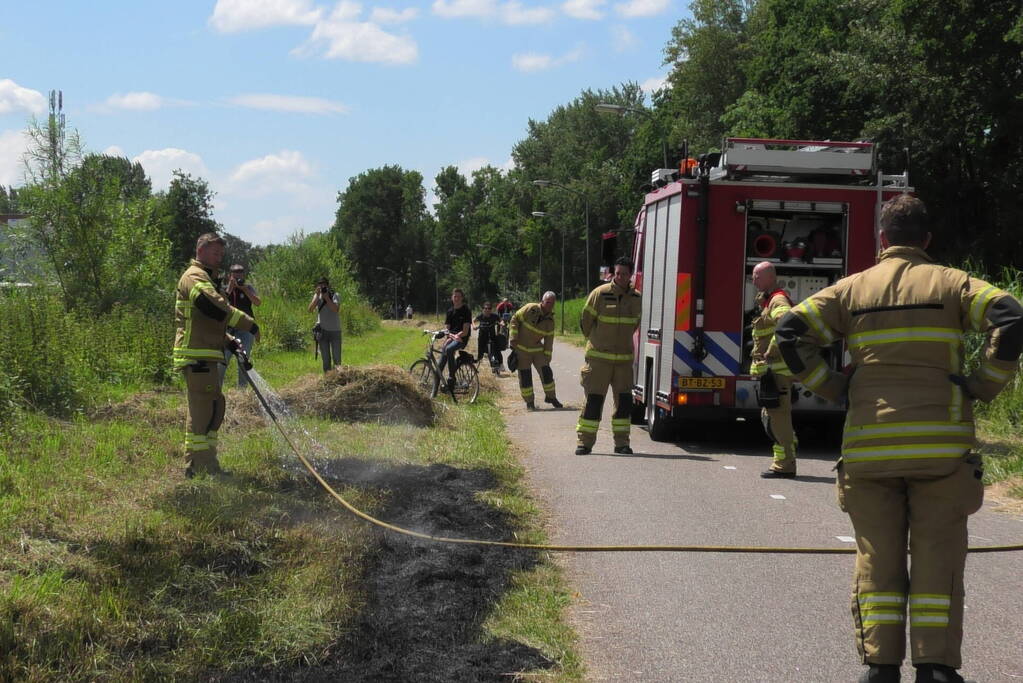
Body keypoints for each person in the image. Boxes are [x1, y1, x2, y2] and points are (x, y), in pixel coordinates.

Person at [775, 195, 1022, 683]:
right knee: (938, 558)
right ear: (927, 239)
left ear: (882, 239)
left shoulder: (851, 290)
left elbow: (789, 330)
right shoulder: (953, 285)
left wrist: (833, 385)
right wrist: (984, 384)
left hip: (870, 450)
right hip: (942, 451)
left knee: (877, 559)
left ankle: (880, 668)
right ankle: (935, 667)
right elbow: (1011, 317)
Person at [174, 233, 257, 477]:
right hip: (197, 357)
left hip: (207, 354)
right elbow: (212, 307)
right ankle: (200, 467)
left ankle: (203, 464)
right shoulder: (194, 276)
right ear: (200, 251)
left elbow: (207, 320)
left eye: (221, 254)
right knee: (203, 412)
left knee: (213, 408)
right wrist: (247, 323)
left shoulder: (206, 277)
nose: (219, 258)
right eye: (215, 253)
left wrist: (228, 340)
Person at [576, 257, 641, 455]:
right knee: (594, 402)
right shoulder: (600, 294)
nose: (620, 277)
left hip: (622, 362)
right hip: (598, 360)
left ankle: (622, 444)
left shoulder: (637, 298)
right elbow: (585, 322)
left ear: (631, 275)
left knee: (624, 404)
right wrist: (597, 342)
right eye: (617, 273)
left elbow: (635, 324)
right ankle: (584, 443)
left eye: (624, 273)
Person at [749, 261, 798, 478]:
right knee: (772, 418)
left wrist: (772, 351)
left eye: (757, 276)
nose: (754, 280)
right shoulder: (767, 301)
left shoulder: (777, 300)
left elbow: (787, 323)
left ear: (770, 277)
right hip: (772, 373)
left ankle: (785, 465)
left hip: (777, 371)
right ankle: (783, 460)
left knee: (778, 419)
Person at [509, 291, 562, 410]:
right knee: (525, 377)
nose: (550, 305)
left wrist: (547, 358)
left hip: (537, 350)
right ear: (542, 301)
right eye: (548, 302)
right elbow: (515, 319)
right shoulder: (530, 308)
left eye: (552, 303)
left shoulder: (550, 321)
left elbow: (549, 341)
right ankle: (530, 402)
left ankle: (551, 397)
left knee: (547, 373)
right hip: (522, 349)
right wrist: (513, 337)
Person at [222, 263, 262, 388]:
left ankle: (242, 391)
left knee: (243, 359)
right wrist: (230, 288)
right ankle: (217, 391)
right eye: (235, 273)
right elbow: (221, 303)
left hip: (246, 329)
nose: (238, 275)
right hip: (228, 330)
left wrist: (244, 290)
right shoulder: (224, 288)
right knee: (223, 359)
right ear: (230, 275)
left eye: (240, 273)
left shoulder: (248, 287)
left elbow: (257, 302)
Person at [437, 288, 472, 393]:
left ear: (462, 298)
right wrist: (449, 336)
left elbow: (465, 331)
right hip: (452, 338)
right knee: (440, 365)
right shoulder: (449, 311)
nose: (456, 298)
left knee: (449, 350)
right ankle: (435, 391)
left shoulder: (466, 310)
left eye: (458, 296)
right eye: (454, 296)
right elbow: (447, 329)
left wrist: (454, 336)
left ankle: (452, 378)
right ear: (452, 298)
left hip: (461, 339)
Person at [308, 277, 341, 372]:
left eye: (324, 285)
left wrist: (326, 298)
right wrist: (317, 296)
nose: (322, 287)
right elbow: (310, 309)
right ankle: (328, 380)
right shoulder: (317, 296)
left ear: (328, 286)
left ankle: (339, 378)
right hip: (322, 331)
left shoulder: (335, 295)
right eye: (320, 285)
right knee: (326, 360)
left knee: (337, 359)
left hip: (335, 331)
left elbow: (335, 309)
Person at [473, 301, 503, 374]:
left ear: (491, 309)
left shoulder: (494, 316)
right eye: (485, 308)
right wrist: (474, 326)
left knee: (497, 349)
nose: (487, 310)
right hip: (482, 335)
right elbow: (473, 320)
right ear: (483, 309)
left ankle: (501, 364)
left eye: (489, 308)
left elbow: (500, 320)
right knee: (481, 349)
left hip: (492, 335)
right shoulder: (481, 316)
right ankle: (479, 361)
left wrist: (502, 323)